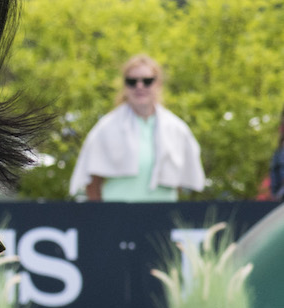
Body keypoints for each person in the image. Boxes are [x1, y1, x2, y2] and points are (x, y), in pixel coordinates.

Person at [69, 54, 204, 201]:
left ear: (158, 84)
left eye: (147, 81)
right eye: (132, 81)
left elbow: (180, 180)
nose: (139, 86)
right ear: (125, 85)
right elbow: (92, 180)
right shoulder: (106, 127)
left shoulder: (176, 128)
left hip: (163, 214)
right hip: (117, 216)